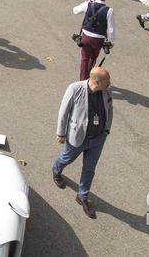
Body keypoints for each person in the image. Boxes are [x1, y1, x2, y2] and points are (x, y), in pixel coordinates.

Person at [52, 67, 113, 219]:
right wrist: (61, 133)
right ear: (97, 82)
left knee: (89, 169)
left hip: (98, 138)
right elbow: (63, 111)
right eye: (107, 81)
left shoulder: (106, 91)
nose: (110, 84)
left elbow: (110, 109)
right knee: (67, 158)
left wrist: (106, 130)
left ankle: (82, 196)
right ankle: (57, 170)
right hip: (77, 137)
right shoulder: (75, 88)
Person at [72, 0, 115, 81]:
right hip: (98, 39)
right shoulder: (109, 10)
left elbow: (75, 10)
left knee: (84, 58)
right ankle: (89, 76)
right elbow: (111, 29)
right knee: (93, 58)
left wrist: (88, 1)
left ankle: (83, 79)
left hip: (86, 36)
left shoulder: (88, 4)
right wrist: (111, 42)